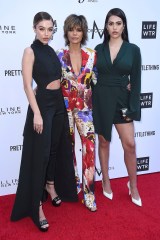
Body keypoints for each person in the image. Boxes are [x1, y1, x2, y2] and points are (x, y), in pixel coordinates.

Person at [10, 12, 77, 232]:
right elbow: (27, 85)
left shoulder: (50, 51)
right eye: (42, 29)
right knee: (43, 153)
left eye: (50, 29)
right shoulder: (30, 51)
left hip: (58, 103)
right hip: (43, 107)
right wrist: (37, 113)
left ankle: (50, 186)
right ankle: (36, 204)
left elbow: (50, 79)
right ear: (34, 28)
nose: (46, 33)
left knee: (56, 148)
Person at [93, 8, 142, 206]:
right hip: (102, 99)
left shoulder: (133, 50)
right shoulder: (97, 49)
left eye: (118, 23)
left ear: (124, 26)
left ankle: (133, 185)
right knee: (103, 142)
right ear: (106, 26)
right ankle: (105, 179)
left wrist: (133, 108)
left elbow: (136, 81)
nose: (114, 27)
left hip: (123, 100)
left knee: (129, 144)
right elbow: (90, 77)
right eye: (111, 23)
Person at [56, 14, 97, 211]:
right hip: (64, 110)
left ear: (83, 32)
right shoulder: (58, 55)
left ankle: (89, 195)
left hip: (85, 110)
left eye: (78, 30)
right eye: (71, 29)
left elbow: (99, 81)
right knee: (68, 149)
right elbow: (52, 80)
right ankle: (73, 186)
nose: (75, 33)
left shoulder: (92, 54)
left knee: (89, 148)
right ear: (66, 31)